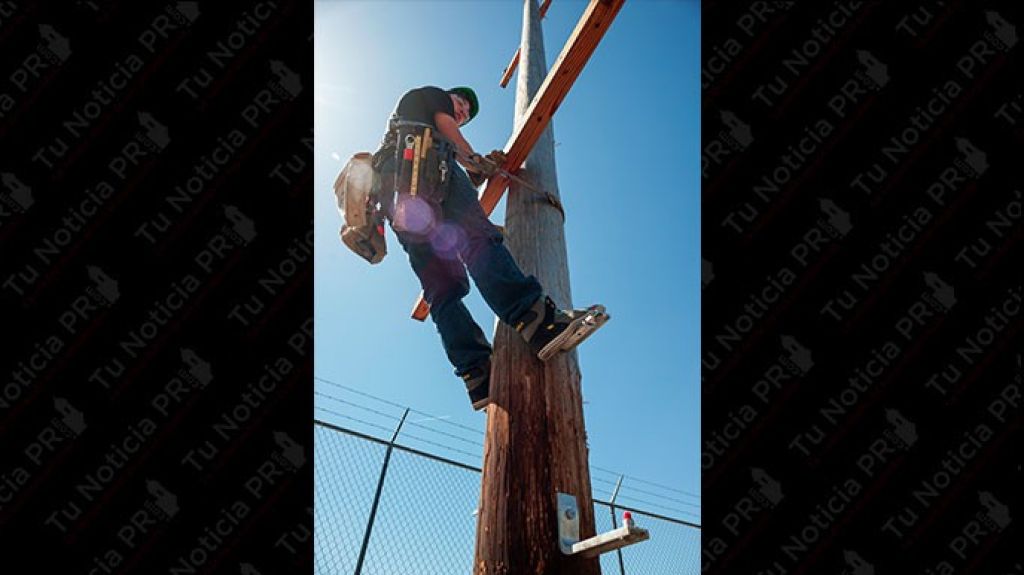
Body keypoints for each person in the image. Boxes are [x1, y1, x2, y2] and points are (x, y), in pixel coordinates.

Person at [372, 86, 607, 411]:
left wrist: (472, 170)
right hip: (425, 161)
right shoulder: (432, 97)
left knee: (442, 288)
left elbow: (451, 144)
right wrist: (475, 160)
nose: (462, 112)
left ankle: (477, 372)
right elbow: (446, 129)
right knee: (477, 238)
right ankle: (539, 321)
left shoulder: (399, 125)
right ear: (448, 96)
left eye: (466, 113)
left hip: (397, 196)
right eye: (461, 103)